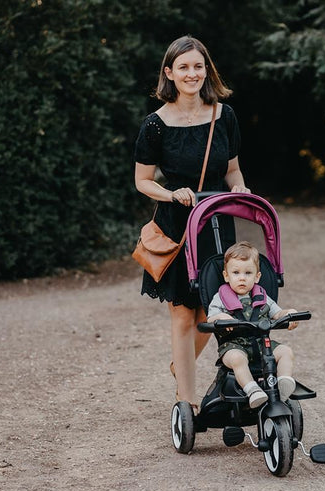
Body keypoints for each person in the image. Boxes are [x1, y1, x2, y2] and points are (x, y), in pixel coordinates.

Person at [134, 36, 250, 408]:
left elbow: (232, 170)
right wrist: (171, 194)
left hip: (216, 222)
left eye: (198, 66)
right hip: (177, 224)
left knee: (217, 311)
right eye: (183, 67)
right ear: (169, 72)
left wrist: (241, 190)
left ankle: (179, 367)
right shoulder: (155, 125)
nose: (192, 73)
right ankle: (187, 401)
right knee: (184, 315)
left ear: (207, 71)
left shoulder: (223, 116)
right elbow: (143, 180)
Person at [207, 241, 298, 408]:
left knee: (286, 351)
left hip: (261, 344)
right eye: (236, 273)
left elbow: (277, 314)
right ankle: (252, 389)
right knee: (237, 359)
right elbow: (210, 319)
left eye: (248, 273)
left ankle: (284, 382)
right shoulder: (220, 298)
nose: (242, 278)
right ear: (226, 276)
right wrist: (221, 317)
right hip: (233, 346)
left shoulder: (262, 297)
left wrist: (289, 314)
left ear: (257, 277)